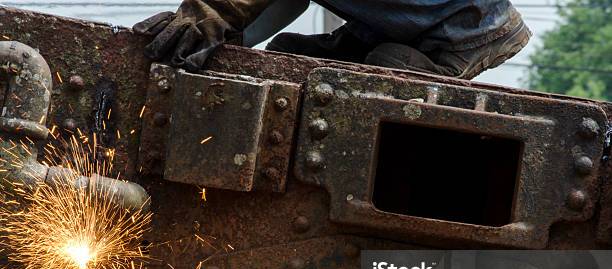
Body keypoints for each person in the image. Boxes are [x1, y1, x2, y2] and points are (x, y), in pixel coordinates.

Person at [133, 0, 531, 80]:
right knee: (291, 57)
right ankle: (368, 39)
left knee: (382, 78)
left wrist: (212, 12)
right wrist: (231, 44)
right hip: (399, 25)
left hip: (468, 26)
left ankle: (445, 43)